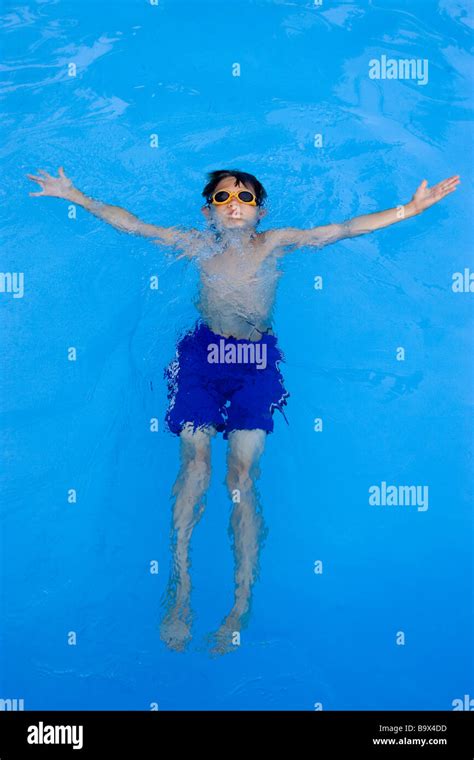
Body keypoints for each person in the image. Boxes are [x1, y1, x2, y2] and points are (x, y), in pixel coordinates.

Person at [27, 166, 460, 655]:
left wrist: (411, 208)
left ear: (260, 210)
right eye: (222, 196)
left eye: (245, 196)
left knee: (239, 477)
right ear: (208, 210)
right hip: (201, 360)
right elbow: (131, 223)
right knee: (194, 463)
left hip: (255, 364)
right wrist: (75, 194)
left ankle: (240, 602)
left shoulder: (275, 244)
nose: (234, 202)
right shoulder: (196, 245)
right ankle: (181, 585)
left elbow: (344, 228)